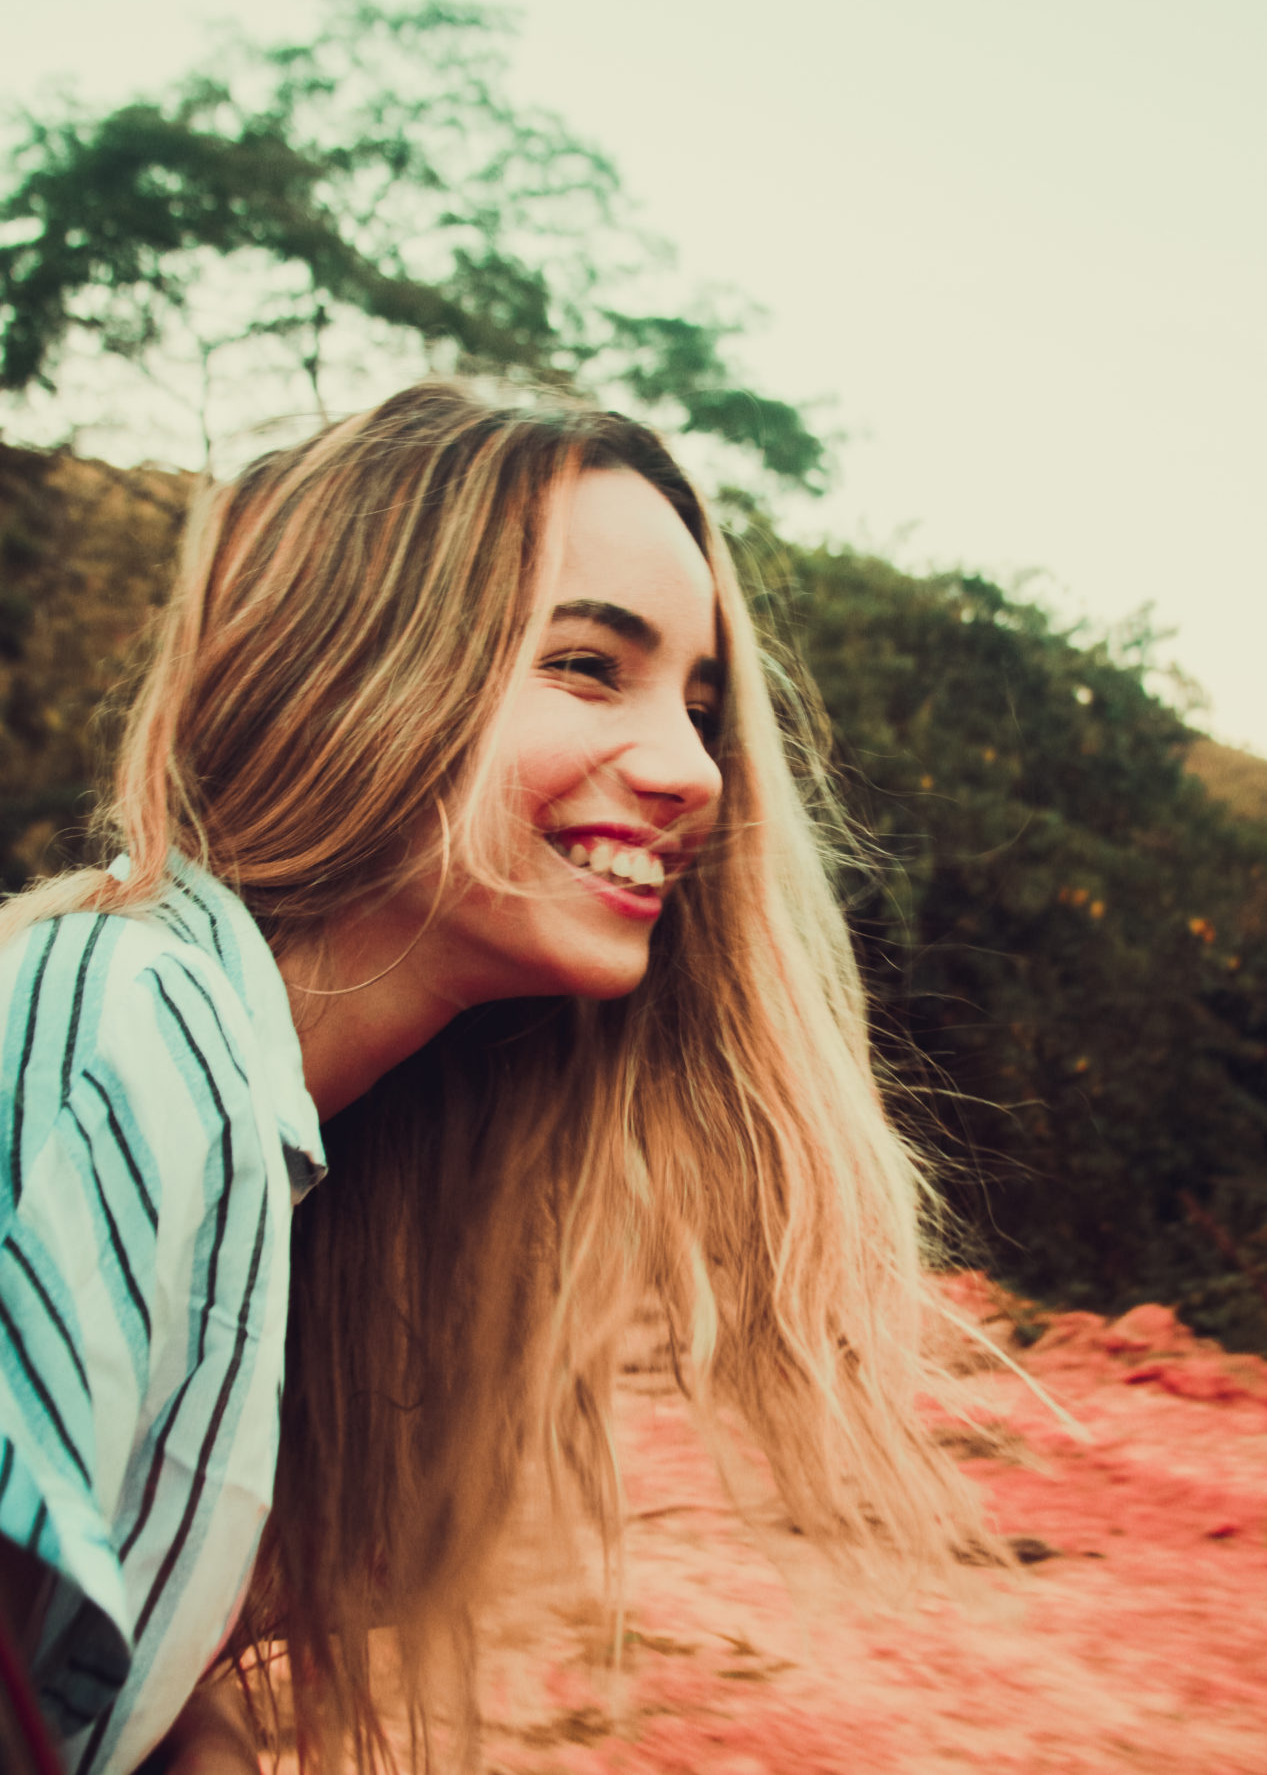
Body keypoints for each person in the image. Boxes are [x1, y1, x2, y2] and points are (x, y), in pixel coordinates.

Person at [0, 383, 992, 1773]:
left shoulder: (288, 1123)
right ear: (342, 672)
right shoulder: (119, 1023)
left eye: (701, 706)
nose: (694, 770)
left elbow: (92, 1684)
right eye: (592, 666)